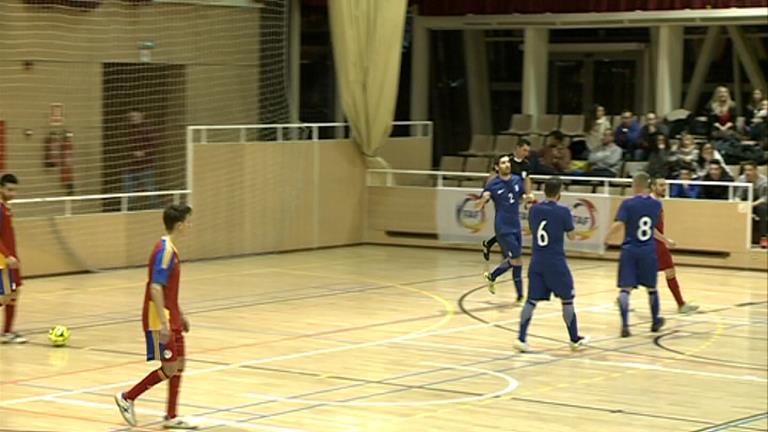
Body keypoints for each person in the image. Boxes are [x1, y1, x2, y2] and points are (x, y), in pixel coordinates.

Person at [115, 204, 196, 429]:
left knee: (179, 364)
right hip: (159, 318)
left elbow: (168, 289)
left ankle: (171, 416)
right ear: (180, 225)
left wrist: (181, 314)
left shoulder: (172, 249)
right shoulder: (165, 251)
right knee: (169, 368)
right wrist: (164, 323)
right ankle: (127, 397)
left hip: (172, 316)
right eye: (188, 222)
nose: (190, 226)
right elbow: (156, 289)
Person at [514, 177, 590, 352]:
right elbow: (571, 236)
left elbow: (534, 230)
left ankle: (521, 338)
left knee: (530, 301)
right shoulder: (563, 211)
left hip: (537, 261)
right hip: (555, 262)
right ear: (559, 193)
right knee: (567, 300)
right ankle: (574, 339)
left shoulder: (534, 210)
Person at [605, 172, 669, 337]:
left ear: (634, 185)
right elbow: (652, 228)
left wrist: (606, 237)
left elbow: (619, 224)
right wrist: (665, 240)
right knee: (652, 288)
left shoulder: (627, 204)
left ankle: (625, 325)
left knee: (625, 290)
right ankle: (655, 321)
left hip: (630, 250)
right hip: (648, 250)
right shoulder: (656, 205)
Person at [477, 154, 526, 303]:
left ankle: (494, 277)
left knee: (516, 260)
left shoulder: (517, 180)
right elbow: (485, 194)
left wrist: (527, 199)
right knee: (516, 259)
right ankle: (520, 295)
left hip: (516, 225)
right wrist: (483, 200)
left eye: (508, 162)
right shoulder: (493, 184)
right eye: (503, 163)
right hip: (503, 228)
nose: (507, 165)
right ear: (497, 167)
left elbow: (521, 197)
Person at [649, 178, 700, 314]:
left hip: (656, 243)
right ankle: (681, 304)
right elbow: (651, 228)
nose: (664, 187)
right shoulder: (652, 203)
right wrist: (666, 241)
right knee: (661, 272)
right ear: (653, 186)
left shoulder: (657, 202)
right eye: (661, 185)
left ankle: (681, 304)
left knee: (667, 271)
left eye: (665, 185)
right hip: (654, 243)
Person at [481, 140, 534, 261]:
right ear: (518, 148)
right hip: (502, 196)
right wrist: (487, 192)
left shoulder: (526, 164)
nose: (526, 153)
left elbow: (526, 180)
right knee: (504, 224)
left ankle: (490, 245)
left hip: (515, 195)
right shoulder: (507, 161)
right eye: (524, 150)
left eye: (528, 151)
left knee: (511, 225)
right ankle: (506, 254)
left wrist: (528, 194)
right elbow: (493, 176)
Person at [0, 174, 26, 344]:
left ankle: (7, 332)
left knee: (13, 292)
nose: (13, 193)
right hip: (2, 259)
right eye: (9, 190)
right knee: (6, 295)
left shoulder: (6, 209)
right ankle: (7, 332)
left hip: (10, 258)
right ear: (0, 188)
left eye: (15, 190)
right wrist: (6, 255)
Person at [123, 111, 159, 209]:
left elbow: (154, 145)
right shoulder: (129, 130)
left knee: (151, 189)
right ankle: (129, 209)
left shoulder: (148, 129)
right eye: (131, 116)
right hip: (132, 166)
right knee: (128, 188)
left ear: (142, 116)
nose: (133, 118)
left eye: (135, 116)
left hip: (146, 166)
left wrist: (143, 152)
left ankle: (155, 209)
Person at [736, 161, 768, 247]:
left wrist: (752, 205)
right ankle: (737, 238)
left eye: (750, 170)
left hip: (758, 204)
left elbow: (765, 198)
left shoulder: (764, 181)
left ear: (756, 170)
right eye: (745, 170)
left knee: (763, 209)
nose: (747, 172)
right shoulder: (741, 179)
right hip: (745, 202)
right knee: (736, 207)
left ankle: (764, 238)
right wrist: (741, 204)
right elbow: (738, 196)